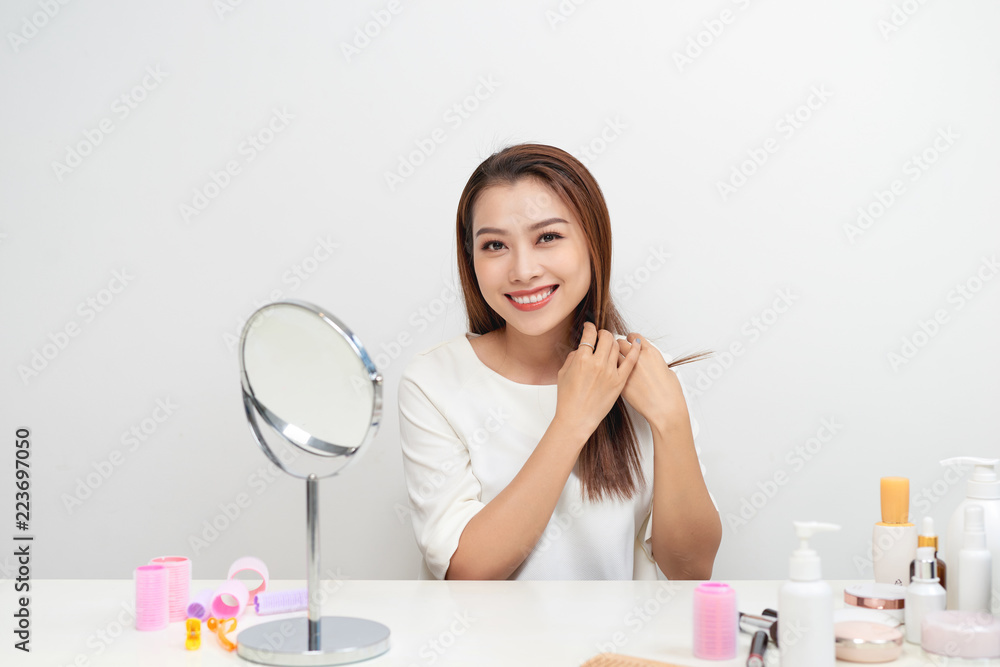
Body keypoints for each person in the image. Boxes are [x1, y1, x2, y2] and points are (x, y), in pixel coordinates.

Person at [397, 143, 721, 581]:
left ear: (593, 242)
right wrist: (572, 421)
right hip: (483, 649)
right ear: (471, 260)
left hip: (616, 650)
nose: (523, 269)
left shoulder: (640, 372)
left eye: (547, 237)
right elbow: (468, 572)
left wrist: (671, 420)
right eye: (495, 245)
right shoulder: (434, 382)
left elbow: (690, 569)